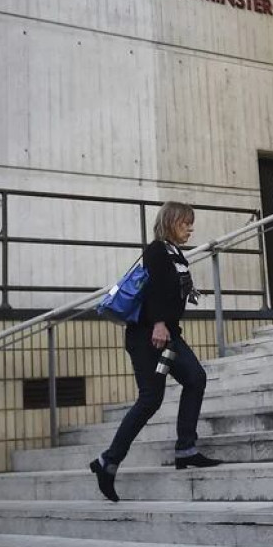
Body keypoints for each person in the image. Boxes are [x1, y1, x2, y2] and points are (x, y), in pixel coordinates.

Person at [90, 202, 221, 502]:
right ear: (171, 222)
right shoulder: (156, 250)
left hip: (168, 336)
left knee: (195, 378)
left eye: (191, 222)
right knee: (151, 398)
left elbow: (170, 290)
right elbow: (152, 292)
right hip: (148, 336)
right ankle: (107, 462)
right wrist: (160, 322)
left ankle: (186, 448)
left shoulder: (176, 254)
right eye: (186, 222)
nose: (191, 228)